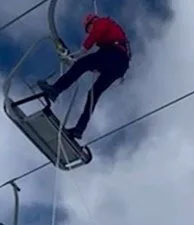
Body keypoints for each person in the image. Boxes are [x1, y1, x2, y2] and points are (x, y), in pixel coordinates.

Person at [36, 12, 131, 140]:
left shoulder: (101, 22)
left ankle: (55, 90)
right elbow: (96, 63)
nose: (89, 31)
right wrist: (77, 61)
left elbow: (92, 38)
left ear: (91, 22)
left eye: (88, 28)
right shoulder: (110, 39)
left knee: (83, 64)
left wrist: (77, 54)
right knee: (93, 93)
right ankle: (79, 129)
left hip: (114, 55)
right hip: (119, 65)